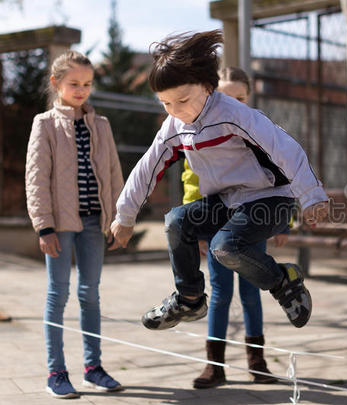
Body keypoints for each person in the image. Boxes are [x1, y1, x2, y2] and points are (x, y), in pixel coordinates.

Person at [109, 31, 328, 336]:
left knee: (224, 247)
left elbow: (284, 147)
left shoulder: (235, 114)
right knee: (175, 221)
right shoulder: (175, 125)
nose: (177, 111)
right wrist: (125, 216)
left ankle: (283, 280)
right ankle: (189, 299)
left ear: (207, 87)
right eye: (166, 104)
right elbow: (147, 168)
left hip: (271, 199)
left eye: (183, 100)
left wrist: (311, 195)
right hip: (226, 203)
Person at [25, 51, 124, 398]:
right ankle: (56, 372)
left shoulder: (102, 125)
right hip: (60, 224)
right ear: (56, 84)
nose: (81, 90)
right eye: (74, 84)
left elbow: (113, 174)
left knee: (90, 294)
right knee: (58, 294)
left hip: (95, 221)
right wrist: (44, 227)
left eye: (87, 84)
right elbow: (36, 180)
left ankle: (93, 368)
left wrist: (117, 219)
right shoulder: (45, 124)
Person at [183, 66, 283, 388]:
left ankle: (258, 362)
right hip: (215, 224)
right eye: (226, 98)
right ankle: (215, 366)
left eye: (239, 98)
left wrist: (282, 222)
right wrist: (196, 228)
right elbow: (191, 180)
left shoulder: (260, 130)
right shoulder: (200, 132)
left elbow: (281, 173)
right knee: (221, 293)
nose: (234, 104)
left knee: (251, 292)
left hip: (253, 222)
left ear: (248, 98)